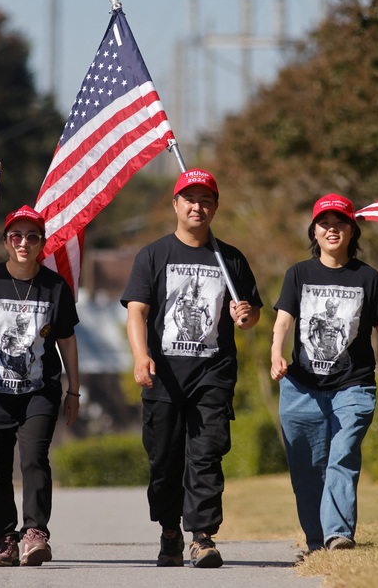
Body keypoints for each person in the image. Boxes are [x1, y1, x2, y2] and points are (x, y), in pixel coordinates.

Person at [121, 169, 262, 569]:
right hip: (163, 376)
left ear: (215, 207)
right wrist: (140, 355)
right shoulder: (153, 255)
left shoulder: (230, 258)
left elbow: (248, 318)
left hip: (212, 375)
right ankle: (169, 532)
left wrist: (245, 315)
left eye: (206, 200)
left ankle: (202, 536)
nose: (197, 206)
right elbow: (137, 312)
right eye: (190, 199)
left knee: (206, 456)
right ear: (176, 204)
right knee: (164, 460)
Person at [270, 193, 378, 555]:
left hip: (353, 385)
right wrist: (275, 356)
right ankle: (317, 541)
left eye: (340, 222)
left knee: (342, 455)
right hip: (301, 387)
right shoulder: (298, 274)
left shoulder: (368, 277)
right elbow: (283, 320)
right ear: (314, 231)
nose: (332, 229)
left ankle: (338, 535)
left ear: (352, 229)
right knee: (306, 469)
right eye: (324, 223)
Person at [0, 205, 80, 567]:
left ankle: (35, 533)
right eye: (17, 235)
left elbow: (67, 339)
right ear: (5, 241)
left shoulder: (54, 286)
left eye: (32, 236)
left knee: (34, 458)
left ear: (42, 243)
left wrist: (74, 389)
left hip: (39, 389)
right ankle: (5, 539)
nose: (24, 242)